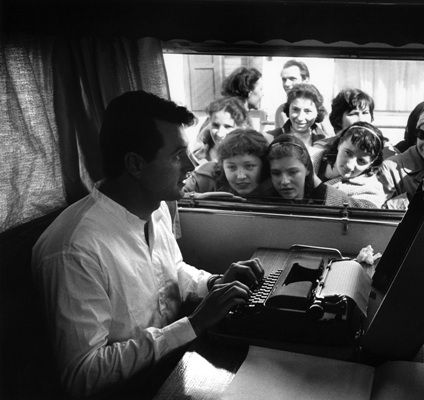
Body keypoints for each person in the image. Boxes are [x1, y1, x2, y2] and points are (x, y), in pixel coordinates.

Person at [31, 91, 263, 399]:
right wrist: (193, 324)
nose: (191, 165)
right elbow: (82, 375)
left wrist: (212, 284)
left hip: (173, 364)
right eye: (177, 155)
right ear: (135, 165)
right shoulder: (75, 248)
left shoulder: (156, 206)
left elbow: (171, 271)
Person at [265, 134, 373, 207]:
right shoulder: (261, 205)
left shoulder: (321, 200)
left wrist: (320, 189)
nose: (284, 181)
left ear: (307, 169)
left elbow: (370, 209)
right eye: (276, 173)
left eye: (293, 172)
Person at [312, 121, 387, 208]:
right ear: (340, 143)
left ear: (372, 162)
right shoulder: (310, 158)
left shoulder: (373, 191)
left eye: (361, 161)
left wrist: (318, 187)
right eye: (348, 153)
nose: (349, 166)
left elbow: (364, 208)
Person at [184, 128, 269, 198]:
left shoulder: (275, 180)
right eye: (232, 167)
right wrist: (194, 197)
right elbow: (178, 194)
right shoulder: (207, 177)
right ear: (222, 166)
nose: (241, 176)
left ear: (264, 165)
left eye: (249, 166)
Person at [189, 96, 251, 165]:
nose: (219, 133)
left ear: (242, 128)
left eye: (228, 127)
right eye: (215, 125)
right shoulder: (198, 158)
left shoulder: (251, 158)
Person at [266, 83, 327, 150]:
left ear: (317, 112)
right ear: (288, 109)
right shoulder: (270, 139)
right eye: (295, 109)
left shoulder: (326, 143)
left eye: (307, 111)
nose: (300, 117)